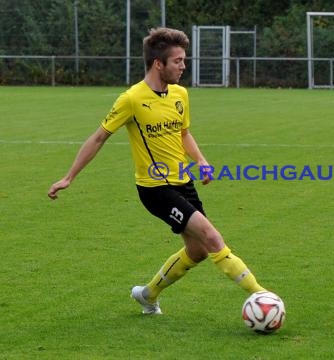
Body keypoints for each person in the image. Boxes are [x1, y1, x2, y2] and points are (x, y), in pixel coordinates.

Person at [48, 27, 266, 315]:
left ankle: (148, 295)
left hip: (183, 182)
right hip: (155, 189)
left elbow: (183, 133)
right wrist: (69, 177)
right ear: (157, 64)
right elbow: (98, 137)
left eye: (184, 60)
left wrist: (201, 160)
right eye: (178, 61)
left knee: (198, 251)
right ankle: (262, 296)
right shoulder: (132, 99)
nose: (183, 66)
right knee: (212, 238)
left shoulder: (180, 94)